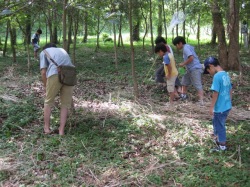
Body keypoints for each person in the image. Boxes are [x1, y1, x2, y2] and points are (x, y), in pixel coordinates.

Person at [40, 43, 75, 135]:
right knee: (65, 104)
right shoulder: (63, 50)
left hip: (55, 74)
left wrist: (45, 86)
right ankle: (61, 130)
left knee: (48, 101)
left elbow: (43, 72)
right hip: (70, 75)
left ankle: (46, 128)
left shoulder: (44, 52)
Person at [203, 56, 232, 152]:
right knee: (217, 123)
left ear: (211, 66)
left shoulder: (217, 76)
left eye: (208, 71)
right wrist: (229, 102)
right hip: (226, 106)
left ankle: (222, 146)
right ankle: (217, 138)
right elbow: (230, 89)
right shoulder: (226, 74)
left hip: (220, 107)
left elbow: (215, 93)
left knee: (220, 126)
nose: (209, 73)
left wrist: (211, 107)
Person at [172, 36, 204, 105]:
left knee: (197, 84)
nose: (176, 47)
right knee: (184, 81)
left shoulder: (186, 48)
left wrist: (183, 63)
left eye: (176, 45)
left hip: (195, 68)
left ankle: (201, 101)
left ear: (180, 43)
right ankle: (184, 95)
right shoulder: (187, 47)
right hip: (189, 69)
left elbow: (191, 58)